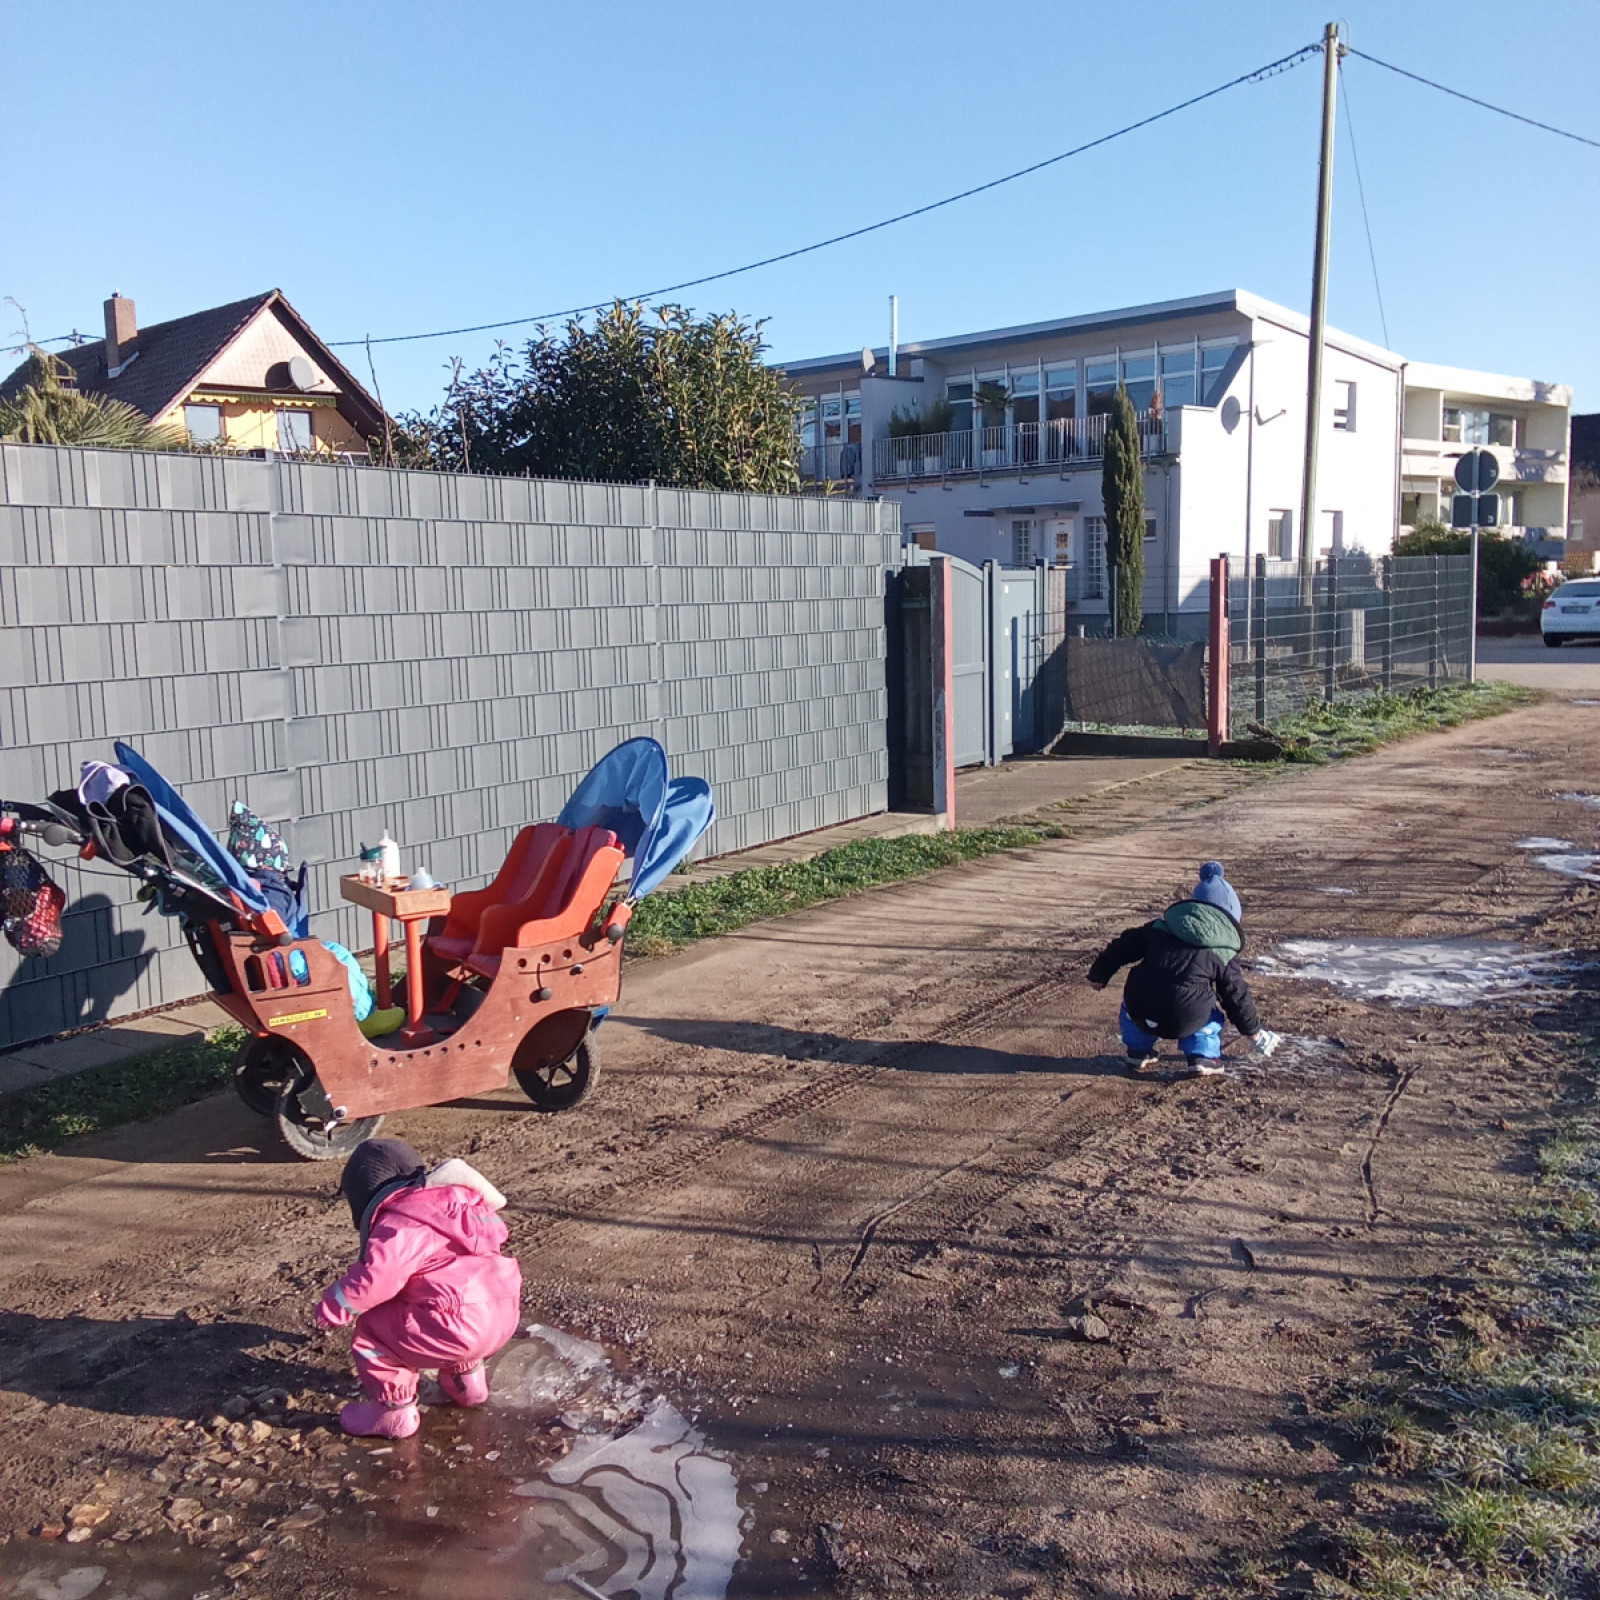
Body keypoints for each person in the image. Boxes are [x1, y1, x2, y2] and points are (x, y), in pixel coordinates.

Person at [315, 1138, 523, 1439]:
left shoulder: (402, 1220)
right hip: (501, 1314)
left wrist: (336, 1305)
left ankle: (394, 1412)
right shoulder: (466, 1208)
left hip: (454, 1325)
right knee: (450, 1305)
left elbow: (379, 1277)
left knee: (373, 1331)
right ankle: (468, 1384)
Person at [1087, 860, 1280, 1075]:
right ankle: (1202, 1056)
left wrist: (1098, 975)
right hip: (1186, 1017)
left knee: (1137, 998)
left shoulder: (1159, 928)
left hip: (1139, 1009)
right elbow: (1236, 996)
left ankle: (1137, 1052)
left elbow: (1122, 947)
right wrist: (1253, 1031)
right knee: (1207, 1011)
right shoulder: (1223, 952)